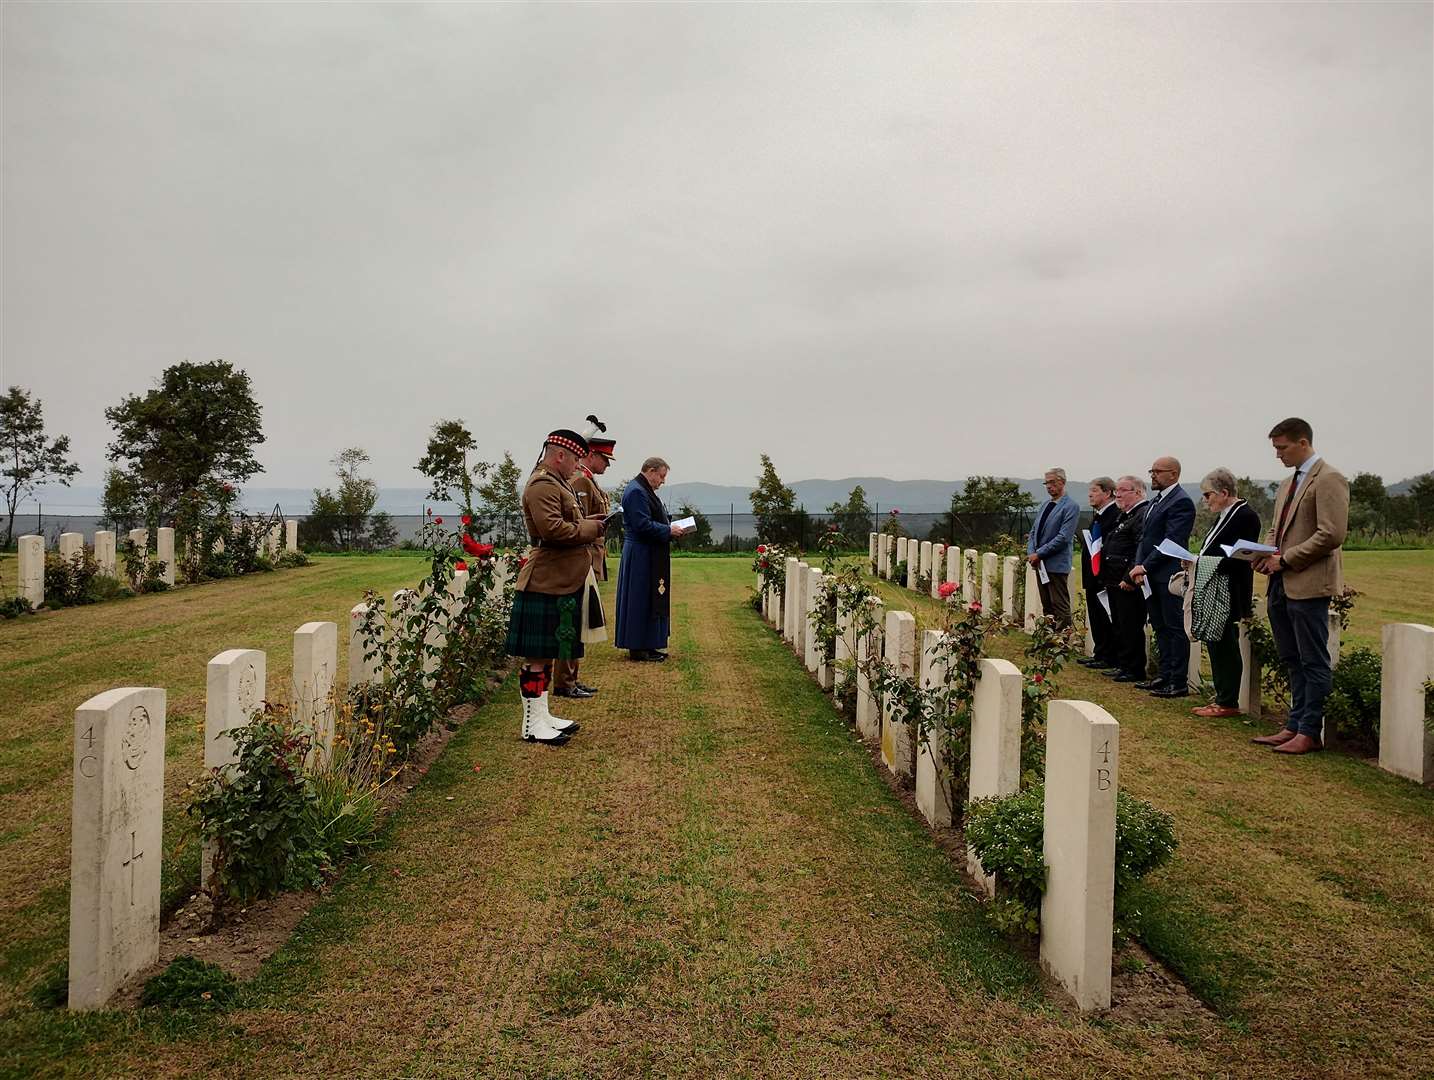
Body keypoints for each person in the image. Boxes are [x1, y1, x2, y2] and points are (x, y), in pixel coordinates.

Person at [1251, 418, 1349, 755]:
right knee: (1291, 656)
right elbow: (1275, 529)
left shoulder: (1330, 479)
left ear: (1303, 442)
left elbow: (1331, 534)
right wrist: (1263, 554)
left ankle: (1309, 731)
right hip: (1280, 581)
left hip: (1308, 581)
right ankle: (1293, 725)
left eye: (1282, 447)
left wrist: (1287, 559)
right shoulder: (1285, 484)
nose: (1278, 455)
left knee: (1312, 659)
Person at [504, 429, 606, 744]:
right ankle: (532, 724)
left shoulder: (556, 482)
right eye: (575, 458)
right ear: (560, 455)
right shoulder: (542, 485)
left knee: (546, 654)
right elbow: (552, 530)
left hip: (558, 580)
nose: (577, 465)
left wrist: (592, 522)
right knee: (536, 657)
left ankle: (542, 716)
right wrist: (591, 527)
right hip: (545, 580)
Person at [1184, 468, 1263, 719]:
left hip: (1229, 588)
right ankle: (1221, 695)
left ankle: (1227, 700)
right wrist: (1195, 560)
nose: (1206, 501)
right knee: (1216, 642)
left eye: (1208, 495)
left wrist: (1199, 561)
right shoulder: (1225, 515)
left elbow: (1239, 557)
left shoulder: (1246, 516)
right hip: (1214, 584)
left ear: (1224, 492)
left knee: (1225, 644)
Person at [552, 432, 616, 699]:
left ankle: (572, 678)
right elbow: (575, 520)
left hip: (587, 554)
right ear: (591, 455)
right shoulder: (579, 480)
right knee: (572, 622)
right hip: (580, 555)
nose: (607, 465)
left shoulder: (587, 480)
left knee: (580, 621)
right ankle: (565, 680)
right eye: (604, 458)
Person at [1130, 456, 1196, 698]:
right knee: (1159, 626)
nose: (1153, 475)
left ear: (1174, 474)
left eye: (1158, 471)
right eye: (1152, 471)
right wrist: (1139, 564)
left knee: (1174, 626)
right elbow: (1145, 537)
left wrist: (1145, 566)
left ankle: (1178, 681)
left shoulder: (1181, 502)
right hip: (1149, 573)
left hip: (1168, 573)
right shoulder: (1156, 501)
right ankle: (1165, 674)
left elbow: (1172, 541)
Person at [614, 457, 687, 661]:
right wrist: (668, 530)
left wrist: (672, 527)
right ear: (651, 471)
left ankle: (650, 643)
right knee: (640, 598)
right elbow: (642, 525)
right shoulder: (637, 491)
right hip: (640, 553)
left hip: (649, 552)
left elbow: (653, 518)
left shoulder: (644, 490)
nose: (662, 481)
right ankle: (638, 646)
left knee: (651, 598)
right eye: (661, 476)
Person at [1099, 475, 1151, 683]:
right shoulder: (1125, 515)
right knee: (1120, 624)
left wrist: (1128, 576)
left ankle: (1134, 668)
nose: (1117, 494)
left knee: (1130, 625)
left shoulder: (1141, 514)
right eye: (1117, 490)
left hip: (1126, 580)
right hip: (1114, 578)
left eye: (1123, 490)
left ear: (1137, 492)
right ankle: (1123, 663)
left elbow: (1139, 547)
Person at [1025, 468, 1079, 628]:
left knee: (1059, 605)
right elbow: (1034, 532)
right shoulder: (1045, 505)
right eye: (1046, 483)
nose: (1049, 486)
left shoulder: (1070, 506)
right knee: (1047, 604)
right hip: (1040, 564)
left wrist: (1039, 553)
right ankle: (1049, 639)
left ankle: (1062, 641)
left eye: (1052, 482)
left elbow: (1063, 537)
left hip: (1056, 563)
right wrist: (1031, 553)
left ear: (1062, 482)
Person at [1076, 476, 1121, 669]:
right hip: (1092, 574)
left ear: (1108, 493)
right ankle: (1100, 652)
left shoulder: (1114, 514)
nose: (1090, 495)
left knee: (1104, 615)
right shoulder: (1099, 514)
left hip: (1104, 574)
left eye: (1094, 491)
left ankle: (1109, 655)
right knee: (1095, 615)